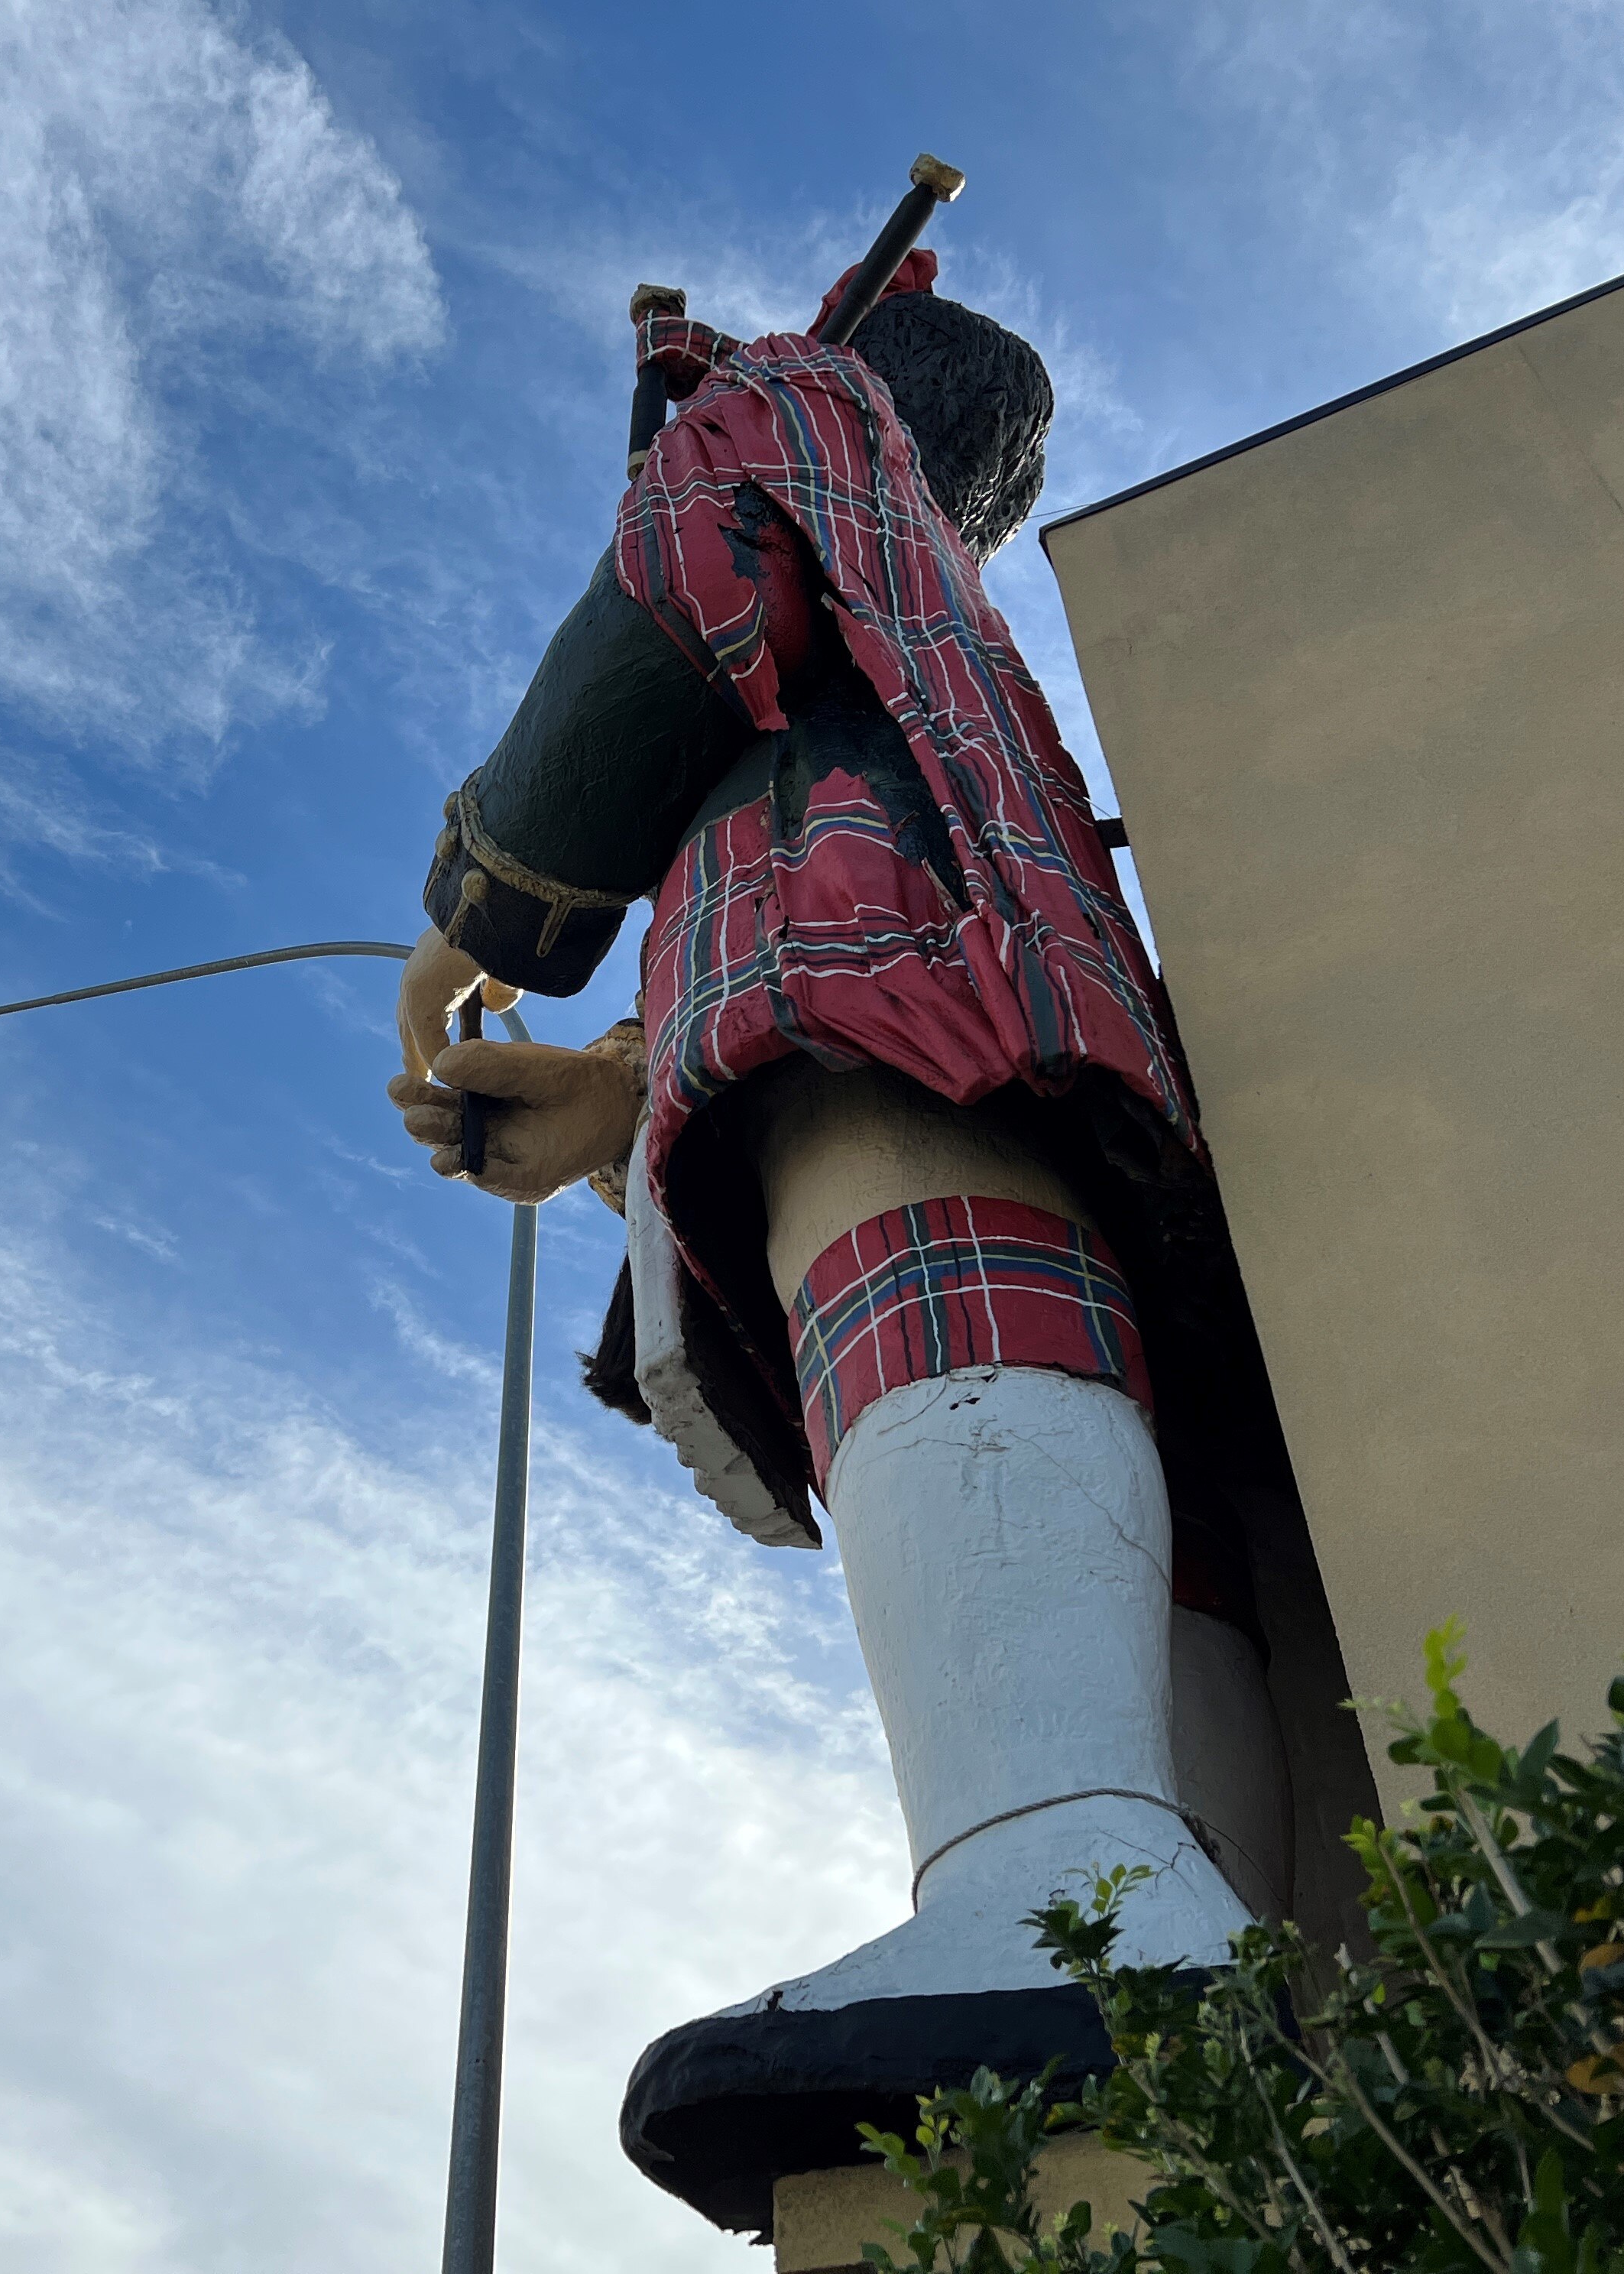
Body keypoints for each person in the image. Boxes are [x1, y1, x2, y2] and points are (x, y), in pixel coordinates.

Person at [385, 254, 1295, 2234]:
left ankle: (1066, 1884)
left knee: (922, 1255)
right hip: (1015, 996)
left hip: (854, 951)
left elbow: (685, 573)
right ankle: (1201, 1895)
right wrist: (623, 1100)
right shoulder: (969, 684)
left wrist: (475, 918)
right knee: (1120, 1451)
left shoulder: (791, 424)